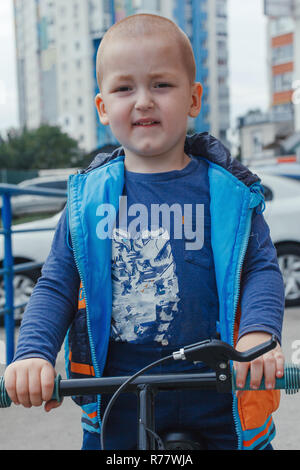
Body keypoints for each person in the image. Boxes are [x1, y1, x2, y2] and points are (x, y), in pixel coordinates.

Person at [4, 14, 285, 451]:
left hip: (220, 390)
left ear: (193, 99)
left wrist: (259, 336)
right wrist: (34, 354)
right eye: (124, 88)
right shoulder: (88, 200)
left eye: (161, 85)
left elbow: (261, 270)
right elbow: (57, 283)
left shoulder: (228, 193)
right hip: (118, 397)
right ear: (102, 108)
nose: (143, 101)